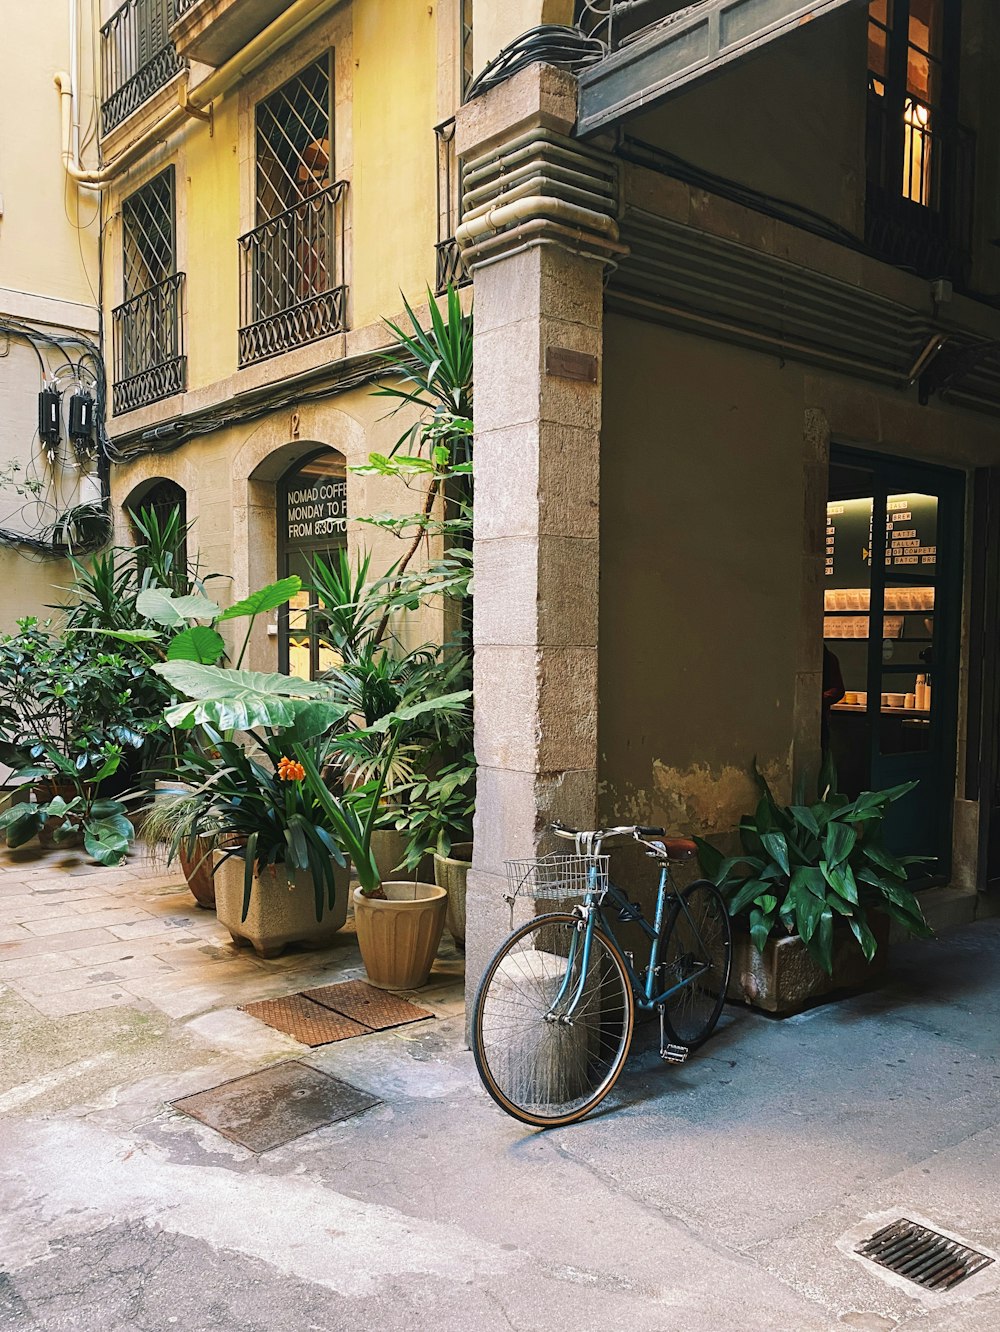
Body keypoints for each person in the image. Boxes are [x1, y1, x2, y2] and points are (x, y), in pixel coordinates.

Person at [822, 644, 846, 751]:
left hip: (819, 718)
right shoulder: (828, 657)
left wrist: (815, 699)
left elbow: (838, 690)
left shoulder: (827, 658)